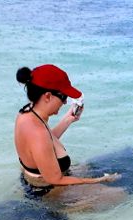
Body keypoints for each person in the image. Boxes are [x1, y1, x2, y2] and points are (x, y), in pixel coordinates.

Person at [15, 64, 125, 210]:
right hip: (46, 192)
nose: (66, 102)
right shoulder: (38, 132)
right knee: (120, 194)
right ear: (47, 96)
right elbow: (56, 179)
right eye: (64, 96)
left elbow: (44, 145)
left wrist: (68, 119)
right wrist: (99, 180)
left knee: (89, 168)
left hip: (33, 180)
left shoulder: (27, 114)